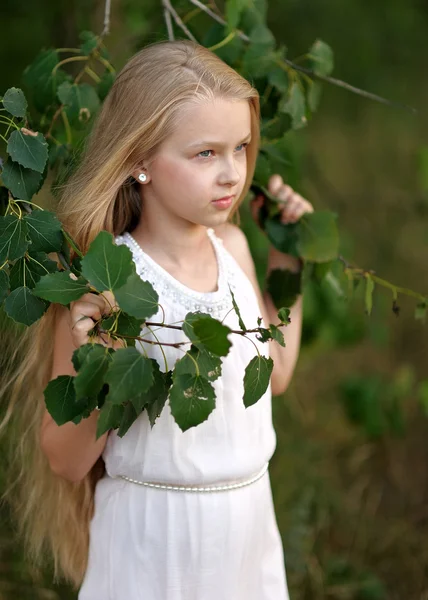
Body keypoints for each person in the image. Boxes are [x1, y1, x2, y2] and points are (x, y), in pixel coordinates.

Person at [0, 39, 314, 599]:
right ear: (140, 159)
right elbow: (67, 462)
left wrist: (288, 260)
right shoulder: (108, 279)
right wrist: (103, 361)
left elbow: (275, 375)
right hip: (157, 544)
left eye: (240, 148)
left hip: (248, 534)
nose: (231, 174)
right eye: (205, 154)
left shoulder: (235, 249)